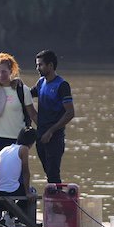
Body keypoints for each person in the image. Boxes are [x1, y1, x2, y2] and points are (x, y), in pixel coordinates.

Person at [0, 53, 37, 164]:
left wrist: (44, 131)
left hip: (16, 139)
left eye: (4, 71)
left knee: (18, 176)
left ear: (11, 71)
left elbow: (32, 114)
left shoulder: (21, 89)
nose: (0, 75)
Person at [33, 50, 75, 184]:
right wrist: (15, 84)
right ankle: (55, 199)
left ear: (50, 66)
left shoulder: (62, 85)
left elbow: (70, 113)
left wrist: (51, 131)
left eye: (40, 65)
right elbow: (26, 94)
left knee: (53, 173)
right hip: (40, 135)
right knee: (48, 173)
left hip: (54, 137)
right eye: (37, 65)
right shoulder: (41, 83)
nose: (37, 68)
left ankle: (58, 202)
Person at [0, 127, 37, 227]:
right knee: (32, 191)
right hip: (9, 191)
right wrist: (28, 192)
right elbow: (26, 172)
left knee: (8, 195)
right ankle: (10, 216)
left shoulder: (5, 149)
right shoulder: (23, 149)